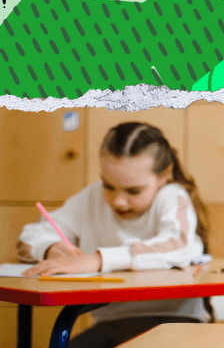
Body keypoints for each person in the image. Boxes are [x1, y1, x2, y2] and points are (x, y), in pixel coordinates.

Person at [17, 121, 212, 348]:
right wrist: (49, 247)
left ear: (164, 175)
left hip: (176, 321)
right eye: (108, 186)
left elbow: (179, 245)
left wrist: (97, 259)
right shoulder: (90, 198)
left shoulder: (172, 197)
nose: (118, 201)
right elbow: (28, 238)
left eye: (134, 191)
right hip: (112, 324)